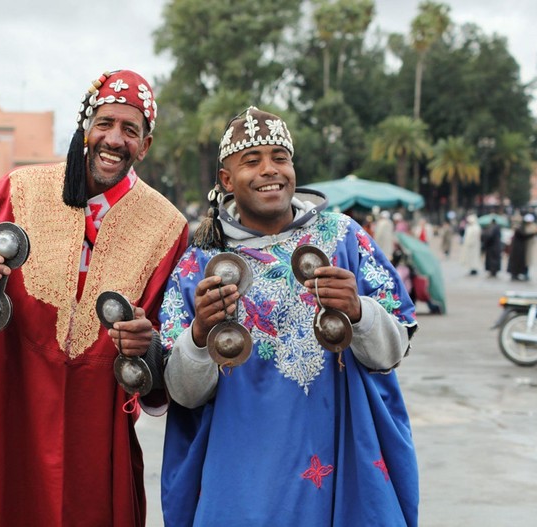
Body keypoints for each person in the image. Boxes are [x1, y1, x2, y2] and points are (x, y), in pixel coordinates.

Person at [0, 69, 188, 527]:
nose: (114, 139)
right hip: (6, 402)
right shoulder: (17, 190)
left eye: (131, 130)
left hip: (95, 422)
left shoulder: (167, 227)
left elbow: (169, 338)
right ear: (86, 127)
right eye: (105, 123)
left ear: (144, 146)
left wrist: (145, 344)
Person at [158, 107, 418, 526]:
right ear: (226, 180)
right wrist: (200, 334)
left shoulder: (344, 237)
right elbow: (184, 395)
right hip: (242, 473)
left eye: (280, 157)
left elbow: (393, 350)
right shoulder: (198, 264)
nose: (269, 170)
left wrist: (358, 311)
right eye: (252, 161)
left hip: (338, 459)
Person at [507, 213, 537, 281]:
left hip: (521, 248)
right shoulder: (519, 228)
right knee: (516, 262)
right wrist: (533, 233)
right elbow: (524, 235)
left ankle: (520, 274)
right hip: (517, 249)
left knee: (522, 262)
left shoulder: (524, 227)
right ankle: (515, 274)